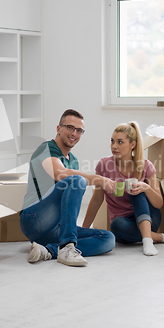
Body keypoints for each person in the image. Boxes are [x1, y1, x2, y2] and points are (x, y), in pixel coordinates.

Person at [20, 109, 116, 267]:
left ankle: (49, 251)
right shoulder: (45, 149)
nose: (74, 133)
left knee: (107, 239)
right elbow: (59, 173)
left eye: (79, 130)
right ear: (59, 129)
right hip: (34, 218)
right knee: (77, 180)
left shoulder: (74, 161)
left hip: (56, 229)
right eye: (70, 127)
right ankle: (66, 247)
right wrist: (99, 179)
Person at [82, 121, 164, 256]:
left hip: (149, 217)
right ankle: (162, 237)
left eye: (120, 142)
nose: (114, 146)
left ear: (132, 145)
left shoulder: (146, 166)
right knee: (116, 226)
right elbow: (96, 200)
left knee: (136, 189)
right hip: (124, 225)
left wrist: (146, 187)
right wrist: (82, 231)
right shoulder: (104, 165)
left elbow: (158, 204)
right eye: (112, 141)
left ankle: (148, 241)